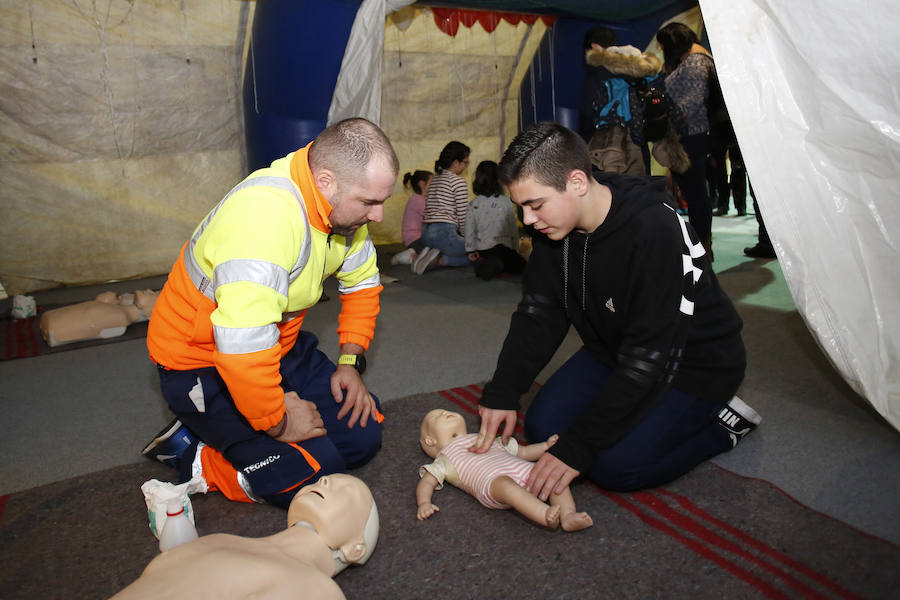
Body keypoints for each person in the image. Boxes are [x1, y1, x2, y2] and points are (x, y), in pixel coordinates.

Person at [472, 122, 759, 504]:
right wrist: (503, 391)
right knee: (543, 427)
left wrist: (582, 445)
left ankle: (723, 427)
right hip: (614, 349)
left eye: (535, 205)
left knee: (614, 466)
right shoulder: (553, 227)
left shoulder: (653, 230)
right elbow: (540, 313)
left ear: (576, 182)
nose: (527, 220)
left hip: (692, 366)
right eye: (520, 207)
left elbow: (650, 359)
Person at [142, 117, 398, 509]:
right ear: (326, 181)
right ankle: (194, 455)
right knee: (311, 478)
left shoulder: (345, 217)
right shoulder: (263, 218)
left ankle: (231, 430)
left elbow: (362, 285)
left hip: (277, 347)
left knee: (363, 435)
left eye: (383, 201)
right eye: (369, 202)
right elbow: (241, 350)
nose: (378, 216)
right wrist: (277, 421)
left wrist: (350, 361)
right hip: (203, 362)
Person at [111, 474, 379, 600]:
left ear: (355, 548)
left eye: (346, 492)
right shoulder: (218, 539)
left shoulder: (318, 591)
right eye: (322, 480)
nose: (324, 483)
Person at [416, 409, 592, 531]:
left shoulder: (486, 436)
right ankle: (544, 514)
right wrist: (424, 503)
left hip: (524, 469)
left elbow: (522, 452)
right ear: (430, 441)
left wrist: (545, 447)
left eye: (444, 411)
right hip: (493, 483)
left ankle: (568, 515)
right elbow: (427, 482)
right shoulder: (444, 458)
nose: (445, 412)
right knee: (509, 488)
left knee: (553, 475)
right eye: (437, 416)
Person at [656, 22, 717, 259]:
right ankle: (701, 242)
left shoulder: (695, 62)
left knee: (696, 194)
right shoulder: (694, 58)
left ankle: (702, 244)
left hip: (692, 135)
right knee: (694, 192)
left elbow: (692, 103)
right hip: (690, 135)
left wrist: (666, 111)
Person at [578, 26, 663, 176]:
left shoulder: (597, 73)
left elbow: (587, 111)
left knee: (612, 190)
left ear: (594, 46)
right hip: (638, 142)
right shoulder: (641, 71)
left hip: (606, 145)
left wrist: (584, 140)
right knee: (640, 189)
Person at [464, 160, 526, 281]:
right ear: (499, 181)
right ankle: (499, 266)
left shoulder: (473, 205)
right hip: (503, 249)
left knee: (489, 259)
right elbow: (513, 228)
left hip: (483, 251)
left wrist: (470, 250)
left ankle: (488, 265)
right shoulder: (506, 202)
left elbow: (469, 230)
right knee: (522, 267)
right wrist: (515, 247)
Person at [416, 141, 471, 274]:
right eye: (466, 162)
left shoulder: (435, 179)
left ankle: (427, 254)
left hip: (426, 234)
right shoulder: (458, 182)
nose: (466, 166)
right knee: (478, 253)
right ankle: (440, 260)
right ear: (456, 163)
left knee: (470, 251)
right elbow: (463, 216)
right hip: (444, 235)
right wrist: (468, 240)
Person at [39, 289, 158, 347]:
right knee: (89, 310)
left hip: (56, 328)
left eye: (150, 293)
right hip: (110, 311)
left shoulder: (120, 317)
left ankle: (55, 331)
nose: (147, 291)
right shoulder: (118, 311)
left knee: (93, 312)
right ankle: (54, 328)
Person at [390, 170, 434, 267]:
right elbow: (432, 217)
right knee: (437, 251)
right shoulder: (418, 200)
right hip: (415, 239)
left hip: (417, 238)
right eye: (432, 182)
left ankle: (415, 256)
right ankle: (409, 256)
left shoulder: (420, 199)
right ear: (422, 184)